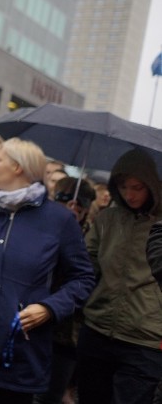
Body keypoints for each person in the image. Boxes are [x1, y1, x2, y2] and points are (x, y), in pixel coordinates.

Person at [0, 138, 95, 404]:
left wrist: (50, 308)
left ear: (18, 167)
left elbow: (83, 278)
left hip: (17, 353)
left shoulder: (59, 220)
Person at [76, 148, 162, 404]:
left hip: (145, 338)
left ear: (152, 186)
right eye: (124, 186)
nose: (130, 194)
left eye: (137, 187)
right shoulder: (107, 219)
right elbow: (86, 266)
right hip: (96, 329)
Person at [34, 177, 96, 404]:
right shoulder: (41, 226)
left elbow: (88, 279)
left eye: (82, 201)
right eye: (65, 198)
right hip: (34, 321)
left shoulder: (91, 235)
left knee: (50, 395)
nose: (74, 205)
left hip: (69, 333)